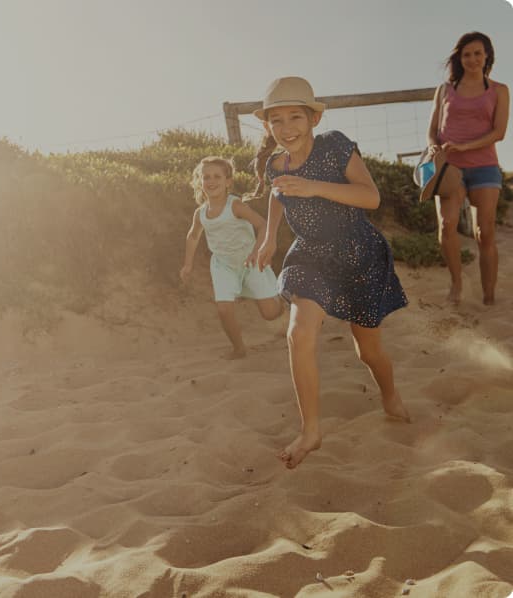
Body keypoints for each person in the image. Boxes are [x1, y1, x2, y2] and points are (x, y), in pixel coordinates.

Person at [253, 77, 410, 469]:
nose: (286, 128)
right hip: (311, 256)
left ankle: (389, 394)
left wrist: (315, 187)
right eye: (277, 120)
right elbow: (278, 193)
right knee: (299, 331)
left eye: (295, 118)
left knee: (368, 352)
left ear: (313, 120)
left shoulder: (336, 146)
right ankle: (311, 430)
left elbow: (370, 197)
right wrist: (270, 236)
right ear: (268, 126)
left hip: (358, 253)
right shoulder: (275, 163)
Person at [426, 31, 509, 305]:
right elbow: (433, 131)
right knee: (446, 224)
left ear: (487, 56)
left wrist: (466, 146)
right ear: (459, 59)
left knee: (484, 232)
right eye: (466, 54)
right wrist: (433, 147)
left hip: (484, 167)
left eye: (477, 53)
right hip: (449, 169)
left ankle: (488, 296)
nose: (472, 59)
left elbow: (499, 132)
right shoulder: (444, 90)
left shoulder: (499, 90)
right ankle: (457, 284)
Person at [180, 156, 284, 359]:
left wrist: (258, 251)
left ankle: (283, 302)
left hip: (251, 261)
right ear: (200, 182)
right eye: (206, 177)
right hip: (223, 265)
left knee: (269, 313)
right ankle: (238, 348)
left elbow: (263, 225)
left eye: (217, 176)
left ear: (228, 181)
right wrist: (187, 265)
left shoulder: (235, 206)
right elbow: (192, 236)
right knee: (224, 309)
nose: (211, 181)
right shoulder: (200, 213)